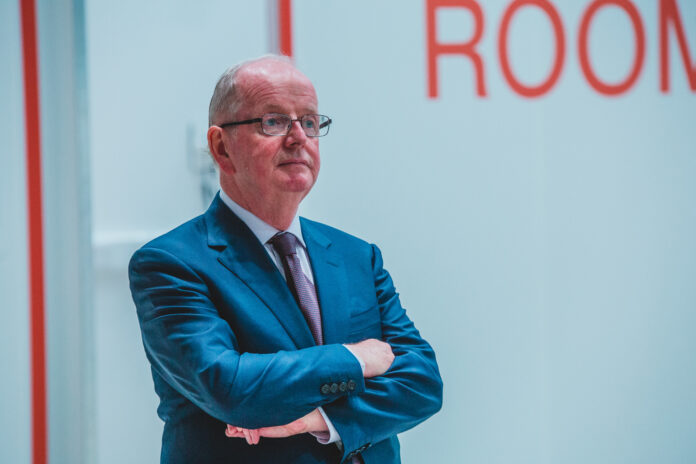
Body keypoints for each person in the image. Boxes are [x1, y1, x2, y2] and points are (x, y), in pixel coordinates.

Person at [129, 55, 442, 464]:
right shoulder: (169, 263)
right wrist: (354, 358)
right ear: (221, 147)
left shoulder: (356, 256)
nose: (299, 138)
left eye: (310, 123)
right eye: (273, 122)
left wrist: (316, 418)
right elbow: (230, 387)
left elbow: (422, 382)